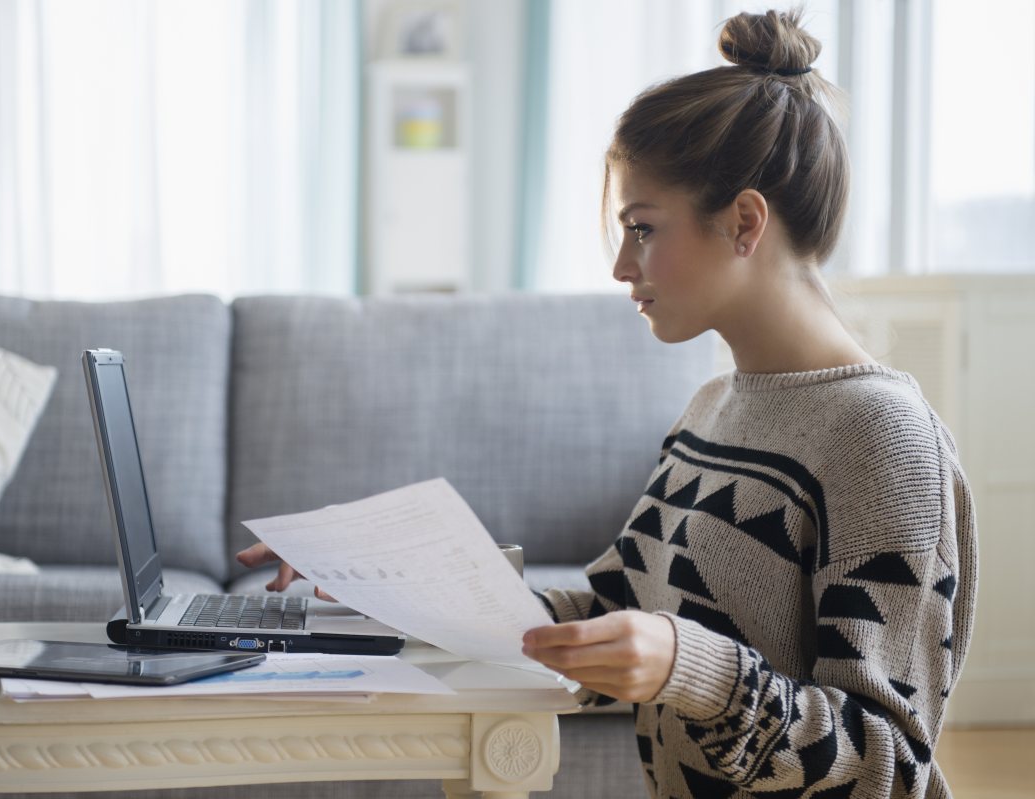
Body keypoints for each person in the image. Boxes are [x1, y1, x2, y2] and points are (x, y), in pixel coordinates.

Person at [237, 9, 977, 798]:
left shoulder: (882, 440)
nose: (623, 264)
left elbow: (888, 768)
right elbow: (615, 610)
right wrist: (388, 584)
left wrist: (687, 666)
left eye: (642, 228)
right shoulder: (710, 409)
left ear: (745, 222)